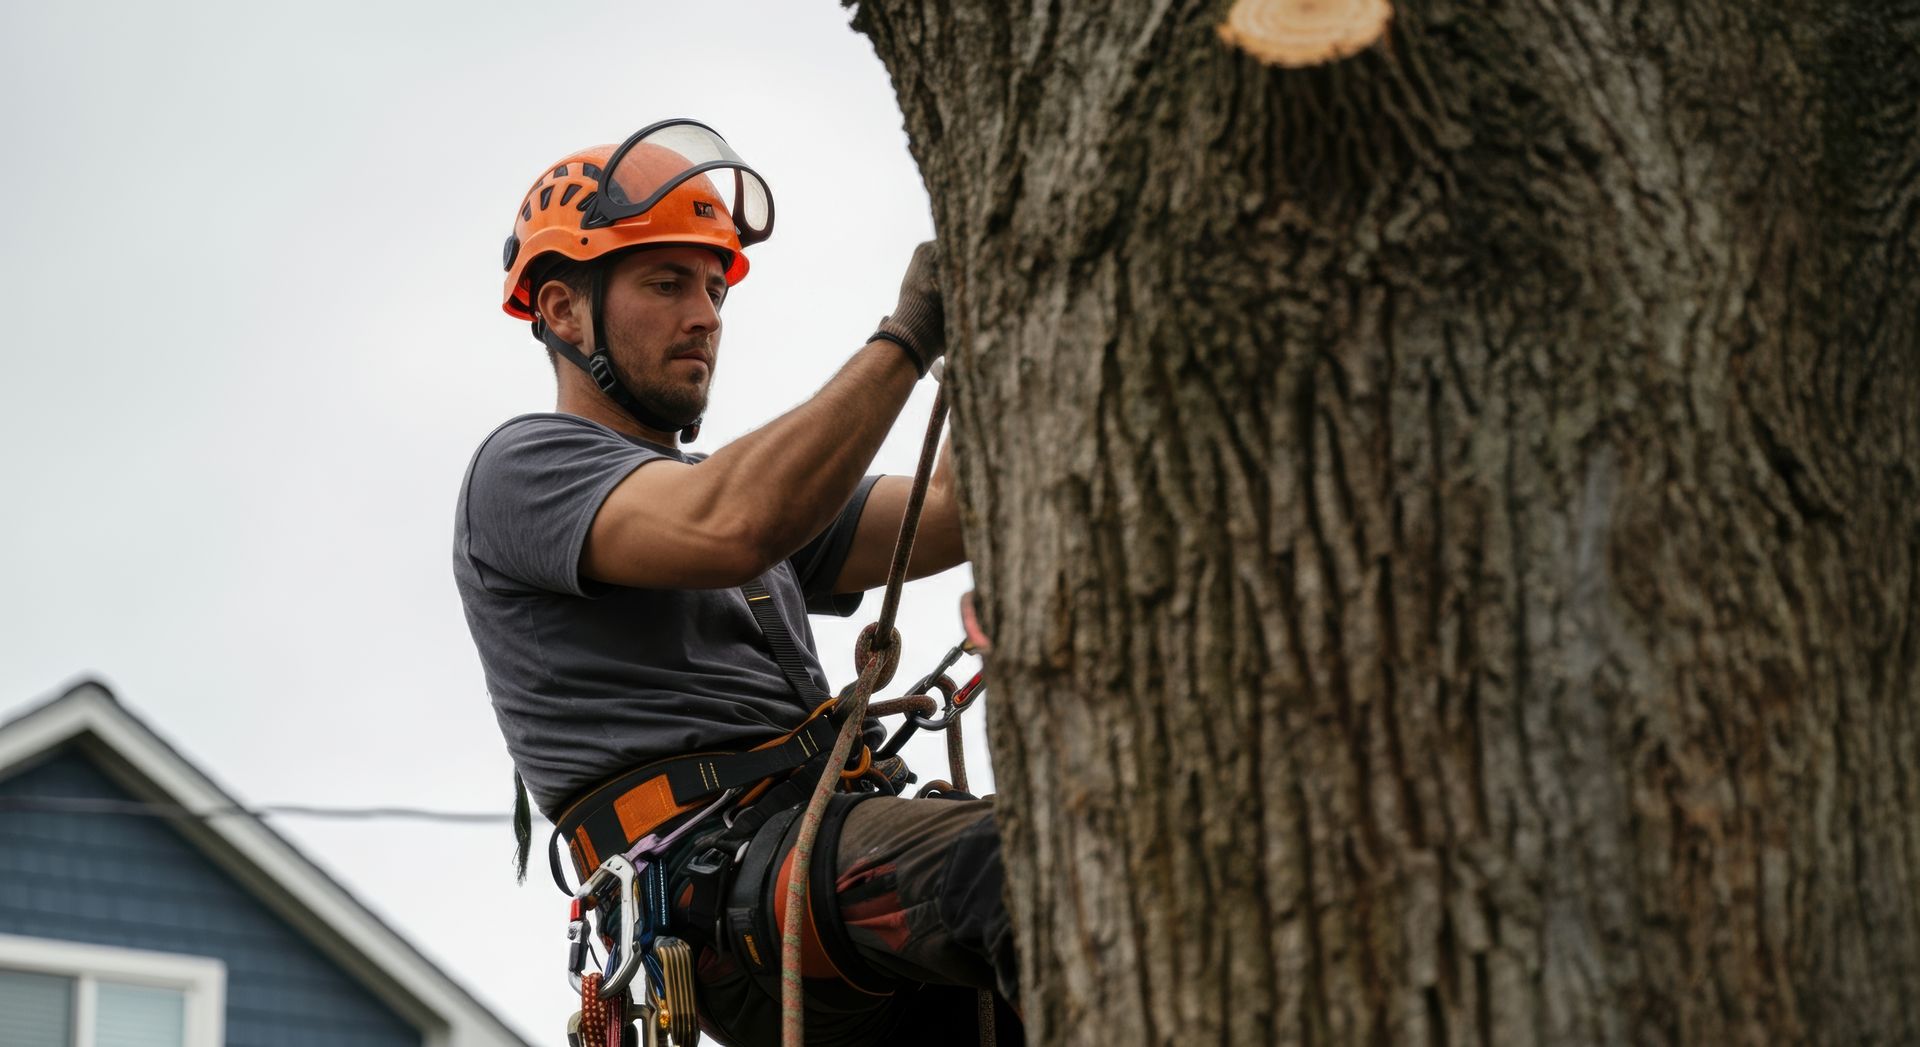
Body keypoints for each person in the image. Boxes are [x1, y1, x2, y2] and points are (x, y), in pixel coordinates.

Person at [453, 119, 1019, 1045]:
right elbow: (731, 523)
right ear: (560, 310)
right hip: (732, 887)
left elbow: (955, 506)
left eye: (715, 287)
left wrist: (1008, 314)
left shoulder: (741, 490)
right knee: (1033, 869)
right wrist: (910, 335)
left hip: (825, 853)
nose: (706, 313)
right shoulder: (524, 471)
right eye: (666, 282)